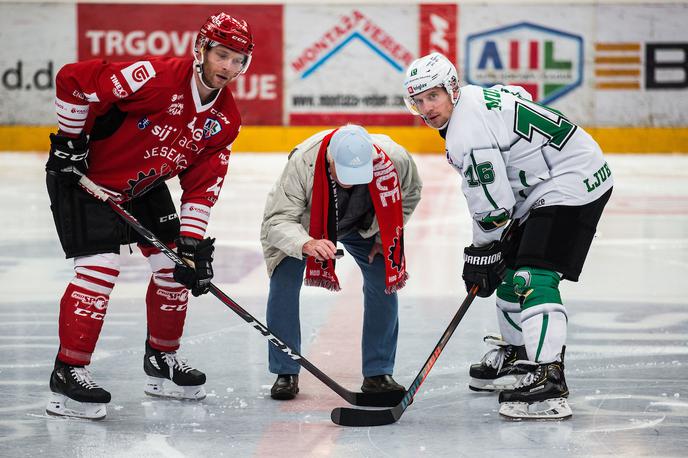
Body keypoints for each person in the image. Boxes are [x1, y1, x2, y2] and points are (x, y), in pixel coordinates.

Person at [44, 12, 254, 419]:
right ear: (201, 49)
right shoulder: (153, 77)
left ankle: (161, 360)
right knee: (99, 272)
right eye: (222, 55)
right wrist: (71, 141)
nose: (228, 68)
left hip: (144, 186)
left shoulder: (225, 120)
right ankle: (67, 373)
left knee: (174, 266)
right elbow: (74, 79)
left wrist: (192, 243)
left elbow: (204, 183)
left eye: (238, 60)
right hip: (87, 178)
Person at [402, 53, 612, 420]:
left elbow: (494, 208)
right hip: (550, 180)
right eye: (418, 101)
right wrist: (492, 254)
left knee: (532, 275)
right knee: (508, 270)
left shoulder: (467, 133)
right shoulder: (475, 101)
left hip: (572, 180)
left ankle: (549, 378)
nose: (426, 108)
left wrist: (480, 252)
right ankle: (519, 357)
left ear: (451, 89)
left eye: (432, 96)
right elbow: (517, 96)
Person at [261, 125, 422, 399]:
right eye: (344, 174)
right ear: (330, 160)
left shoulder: (393, 159)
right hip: (308, 226)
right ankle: (285, 371)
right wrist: (306, 244)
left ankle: (378, 372)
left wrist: (385, 237)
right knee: (284, 280)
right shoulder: (304, 162)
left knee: (384, 279)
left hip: (364, 226)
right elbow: (277, 221)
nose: (352, 181)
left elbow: (410, 194)